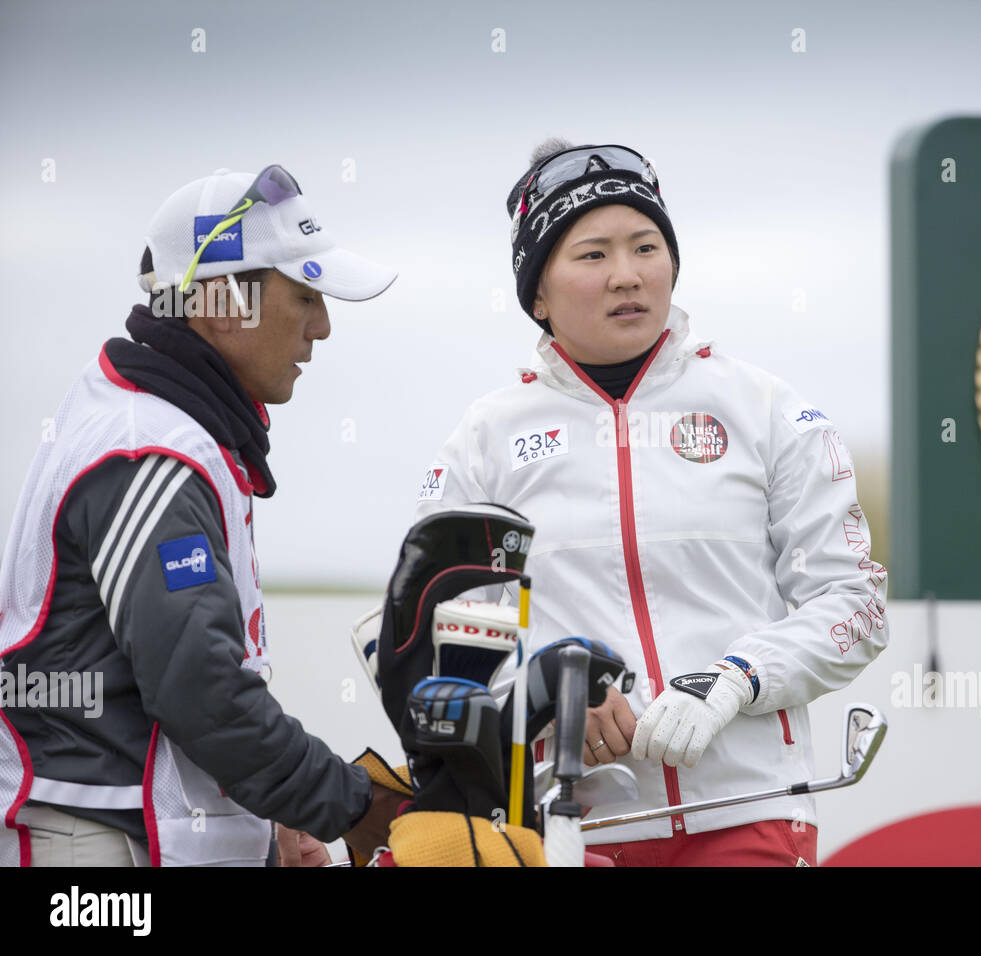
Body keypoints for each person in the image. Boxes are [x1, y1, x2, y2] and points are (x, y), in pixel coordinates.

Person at [407, 140, 890, 866]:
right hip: (568, 830)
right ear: (538, 292)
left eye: (646, 246)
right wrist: (549, 688)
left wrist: (733, 681)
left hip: (750, 815)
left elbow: (854, 605)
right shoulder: (485, 439)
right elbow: (435, 641)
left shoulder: (764, 408)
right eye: (593, 255)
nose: (627, 276)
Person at [0, 166, 406, 867]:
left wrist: (267, 818)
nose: (324, 326)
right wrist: (352, 805)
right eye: (305, 295)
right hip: (92, 841)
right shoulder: (152, 449)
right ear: (220, 301)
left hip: (123, 828)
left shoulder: (158, 424)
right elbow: (201, 689)